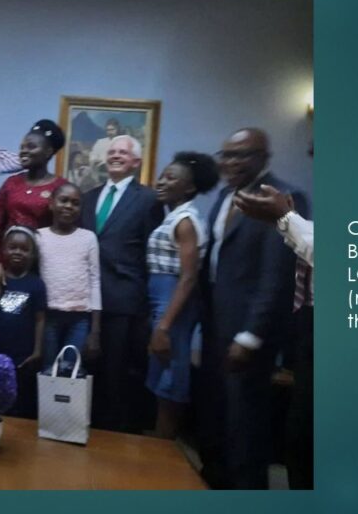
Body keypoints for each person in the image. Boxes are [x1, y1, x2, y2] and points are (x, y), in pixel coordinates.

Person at [200, 127, 306, 489]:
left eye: (241, 154)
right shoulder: (225, 196)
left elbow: (276, 276)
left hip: (248, 331)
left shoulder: (282, 197)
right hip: (216, 323)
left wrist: (250, 335)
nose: (230, 162)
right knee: (218, 419)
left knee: (246, 426)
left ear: (263, 158)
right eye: (226, 154)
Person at [81, 135, 163, 432]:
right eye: (111, 151)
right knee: (89, 369)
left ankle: (115, 433)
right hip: (86, 297)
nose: (115, 156)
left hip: (124, 299)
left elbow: (150, 251)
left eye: (122, 152)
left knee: (117, 372)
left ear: (136, 162)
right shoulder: (89, 197)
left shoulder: (149, 199)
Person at [234, 183, 314, 489]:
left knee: (306, 440)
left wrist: (285, 218)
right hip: (309, 328)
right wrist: (286, 221)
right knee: (300, 441)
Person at [145, 152, 218, 439]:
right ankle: (160, 450)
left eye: (171, 178)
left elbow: (188, 277)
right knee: (161, 375)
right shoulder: (173, 216)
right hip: (162, 300)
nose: (161, 181)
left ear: (189, 188)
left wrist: (164, 325)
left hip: (172, 303)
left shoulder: (185, 220)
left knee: (170, 379)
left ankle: (165, 455)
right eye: (162, 175)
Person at [0, 119, 68, 291]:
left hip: (45, 268)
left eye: (31, 147)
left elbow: (65, 234)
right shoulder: (11, 184)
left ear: (48, 152)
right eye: (22, 146)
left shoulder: (60, 187)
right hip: (8, 267)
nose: (23, 151)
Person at [0, 227, 46, 418]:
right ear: (3, 250)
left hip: (22, 355)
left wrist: (38, 350)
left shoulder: (36, 284)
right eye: (12, 247)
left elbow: (40, 319)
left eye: (24, 249)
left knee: (18, 400)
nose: (18, 252)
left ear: (32, 254)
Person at [37, 183, 101, 371]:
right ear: (51, 204)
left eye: (75, 203)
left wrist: (95, 330)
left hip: (79, 319)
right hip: (48, 317)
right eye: (63, 200)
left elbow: (95, 281)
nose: (68, 206)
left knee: (72, 373)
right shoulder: (39, 236)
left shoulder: (88, 238)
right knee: (48, 370)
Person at [88, 118, 121, 183]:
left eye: (112, 130)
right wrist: (94, 161)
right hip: (102, 172)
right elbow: (93, 157)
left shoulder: (123, 142)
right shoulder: (100, 142)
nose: (109, 132)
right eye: (108, 130)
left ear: (117, 129)